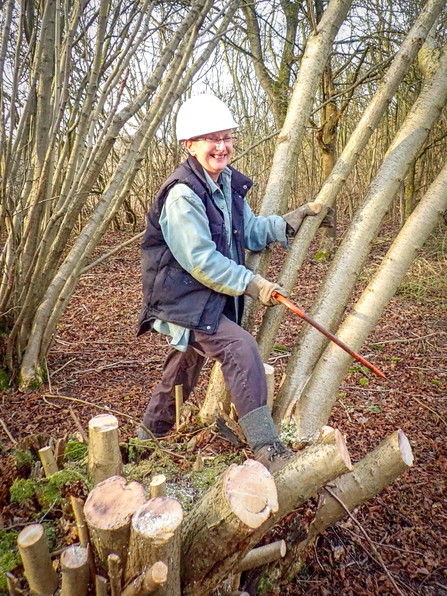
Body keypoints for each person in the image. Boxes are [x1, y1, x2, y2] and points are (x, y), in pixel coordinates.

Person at [137, 94, 327, 474]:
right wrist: (254, 284)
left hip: (204, 295)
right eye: (211, 139)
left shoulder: (224, 185)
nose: (221, 146)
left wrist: (288, 221)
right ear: (190, 145)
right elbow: (202, 261)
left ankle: (144, 443)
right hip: (183, 299)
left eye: (226, 137)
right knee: (241, 348)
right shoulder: (182, 195)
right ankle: (267, 448)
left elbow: (249, 231)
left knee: (182, 367)